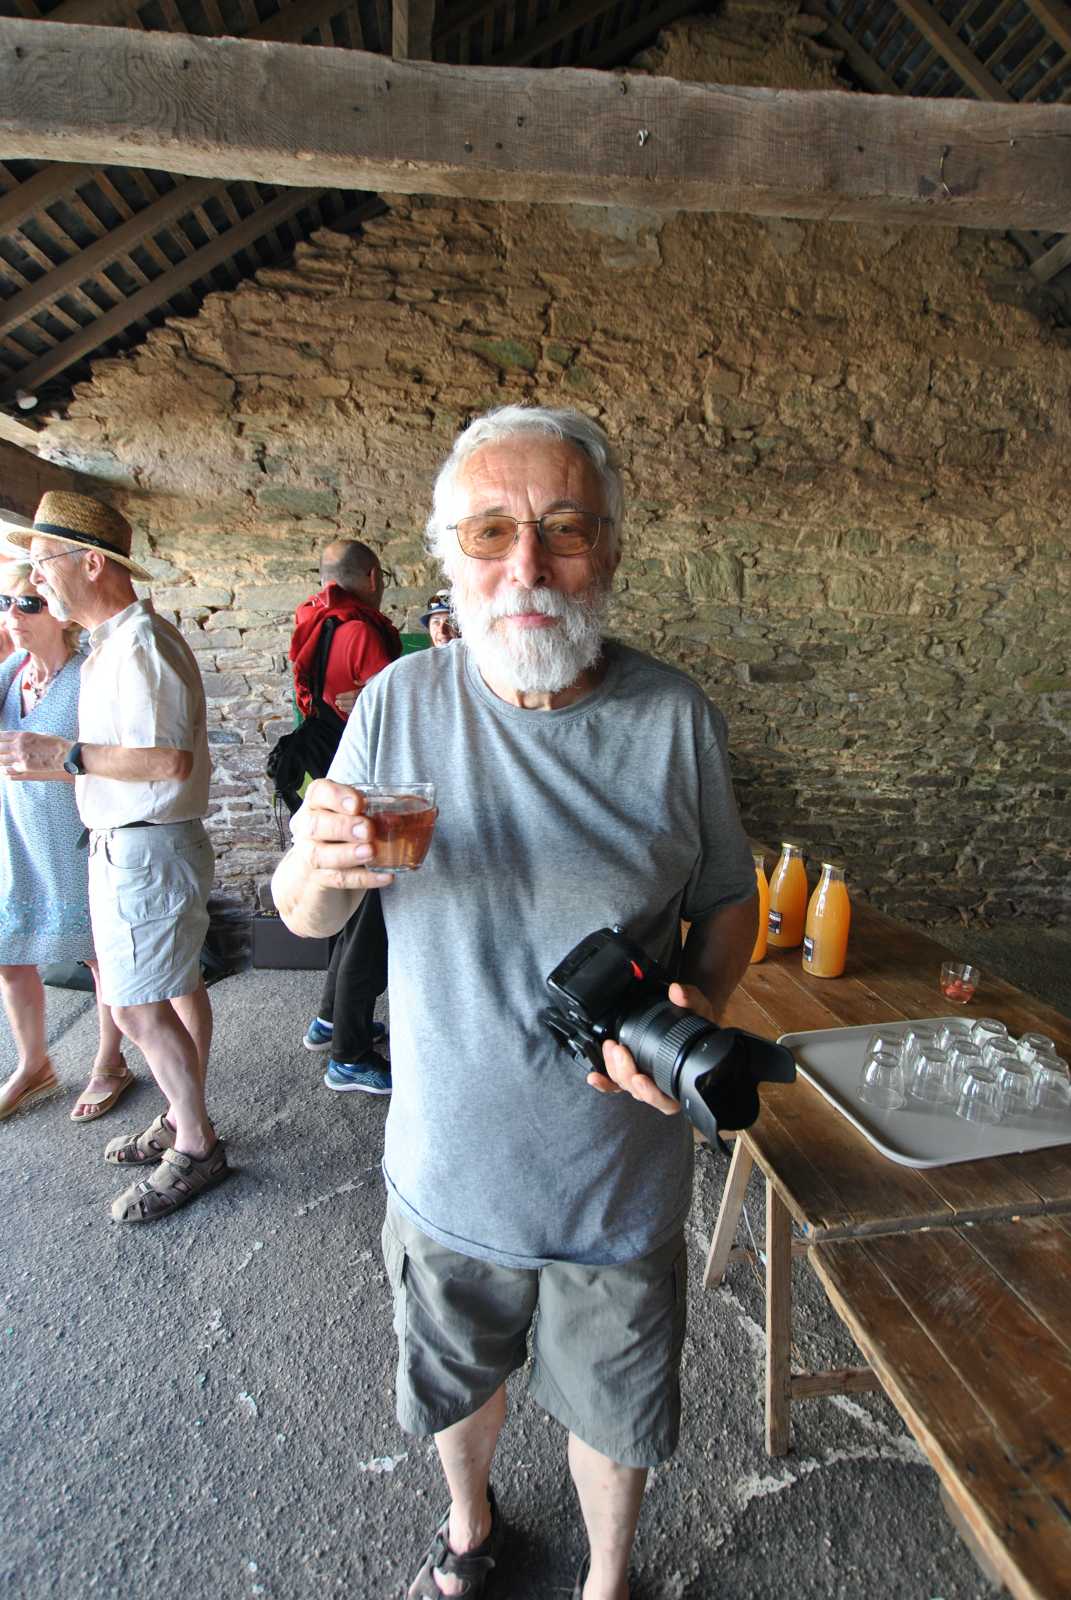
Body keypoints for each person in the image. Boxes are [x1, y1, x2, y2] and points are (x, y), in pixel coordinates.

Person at [271, 406, 758, 1600]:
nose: (526, 564)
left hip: (618, 1176)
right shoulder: (399, 702)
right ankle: (470, 1523)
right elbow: (306, 913)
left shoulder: (674, 718)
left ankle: (606, 1578)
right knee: (459, 1382)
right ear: (450, 554)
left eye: (564, 529)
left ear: (611, 551)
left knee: (614, 1411)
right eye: (491, 530)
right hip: (449, 1166)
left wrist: (701, 995)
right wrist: (314, 865)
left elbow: (729, 904)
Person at [0, 492, 226, 1223]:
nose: (36, 581)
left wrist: (65, 755)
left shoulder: (141, 646)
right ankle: (182, 1117)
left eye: (44, 562)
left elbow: (166, 761)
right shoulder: (114, 643)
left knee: (134, 1006)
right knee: (153, 995)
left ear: (92, 563)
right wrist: (64, 764)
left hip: (147, 847)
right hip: (130, 845)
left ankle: (195, 1144)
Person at [0, 557, 132, 1124]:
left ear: (58, 613)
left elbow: (114, 763)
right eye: (5, 604)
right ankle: (34, 1064)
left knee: (98, 955)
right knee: (9, 955)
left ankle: (110, 1061)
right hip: (15, 835)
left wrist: (55, 764)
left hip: (71, 835)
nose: (14, 615)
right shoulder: (10, 672)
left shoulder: (86, 677)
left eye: (28, 604)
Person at [294, 539, 401, 1095]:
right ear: (374, 577)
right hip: (368, 791)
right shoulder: (363, 631)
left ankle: (330, 1020)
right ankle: (350, 1055)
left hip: (329, 776)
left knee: (350, 911)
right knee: (370, 920)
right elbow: (398, 714)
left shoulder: (321, 624)